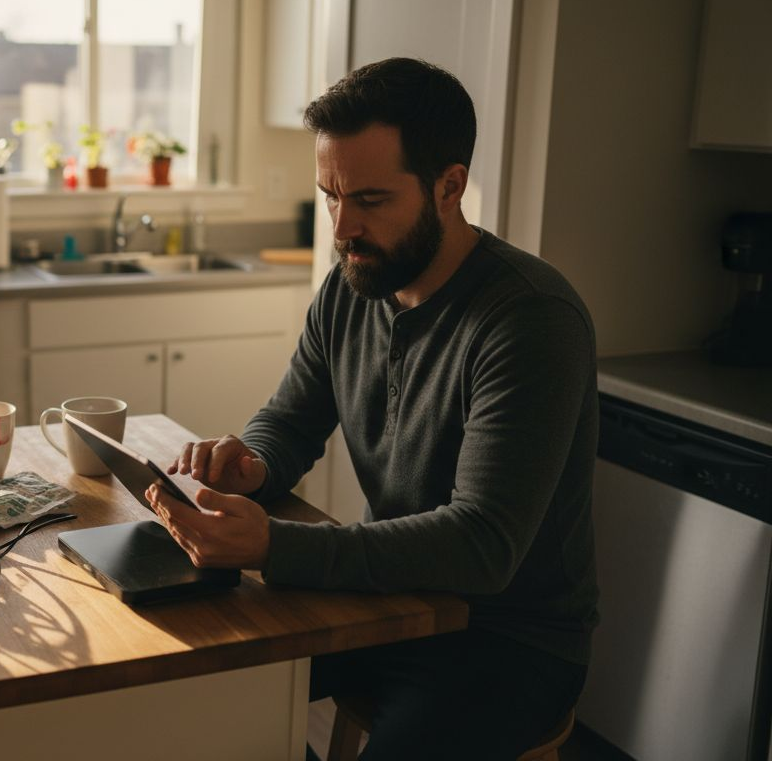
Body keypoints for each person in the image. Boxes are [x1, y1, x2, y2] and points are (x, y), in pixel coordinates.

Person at [144, 57, 599, 759]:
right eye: (330, 195)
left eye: (370, 200)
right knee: (192, 693)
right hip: (393, 599)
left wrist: (273, 545)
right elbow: (290, 420)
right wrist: (252, 463)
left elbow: (482, 546)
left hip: (511, 640)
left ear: (450, 187)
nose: (342, 227)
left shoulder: (529, 319)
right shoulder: (352, 285)